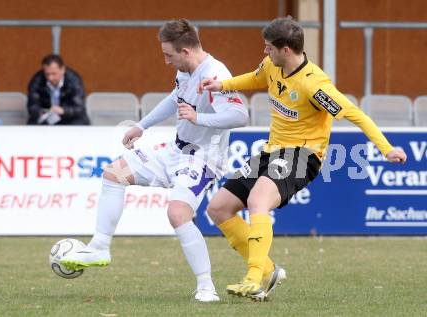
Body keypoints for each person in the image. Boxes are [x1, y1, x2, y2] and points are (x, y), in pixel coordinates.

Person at [199, 16, 407, 301]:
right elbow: (255, 77)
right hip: (272, 151)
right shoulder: (273, 65)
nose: (265, 52)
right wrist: (222, 85)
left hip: (303, 155)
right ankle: (269, 270)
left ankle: (254, 278)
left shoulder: (314, 85)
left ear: (286, 49)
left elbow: (356, 114)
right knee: (219, 208)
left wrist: (387, 149)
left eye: (269, 47)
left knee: (258, 201)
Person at [61, 19, 249, 302]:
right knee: (114, 173)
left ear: (185, 51)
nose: (165, 61)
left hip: (203, 158)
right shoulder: (186, 71)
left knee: (177, 214)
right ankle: (100, 247)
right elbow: (175, 98)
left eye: (168, 55)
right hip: (175, 150)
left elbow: (240, 116)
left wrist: (199, 117)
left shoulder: (215, 73)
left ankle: (206, 286)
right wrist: (142, 125)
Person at [27, 54, 90, 125]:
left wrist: (63, 111)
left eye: (54, 74)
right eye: (47, 74)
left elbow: (79, 108)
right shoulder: (37, 81)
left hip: (70, 117)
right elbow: (32, 105)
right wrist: (39, 112)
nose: (50, 78)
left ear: (63, 70)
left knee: (79, 124)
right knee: (32, 125)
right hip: (47, 117)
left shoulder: (73, 80)